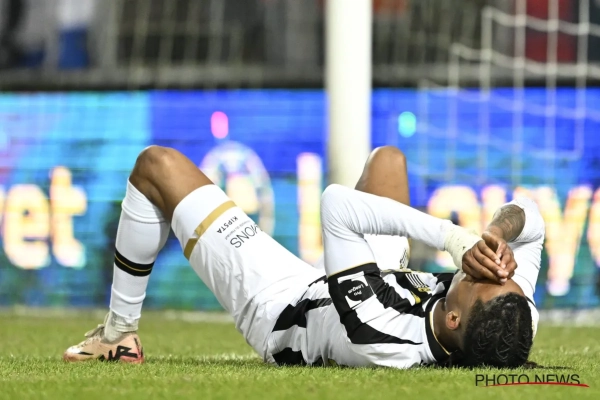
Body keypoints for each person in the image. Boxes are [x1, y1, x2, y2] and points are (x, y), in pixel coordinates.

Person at [64, 145, 543, 368]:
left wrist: (453, 238)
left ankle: (118, 335)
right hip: (371, 280)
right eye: (500, 271)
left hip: (284, 304)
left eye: (478, 276)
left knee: (156, 166)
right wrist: (495, 232)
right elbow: (533, 217)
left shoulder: (379, 337)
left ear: (454, 319)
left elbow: (335, 204)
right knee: (389, 161)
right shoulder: (514, 316)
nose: (485, 266)